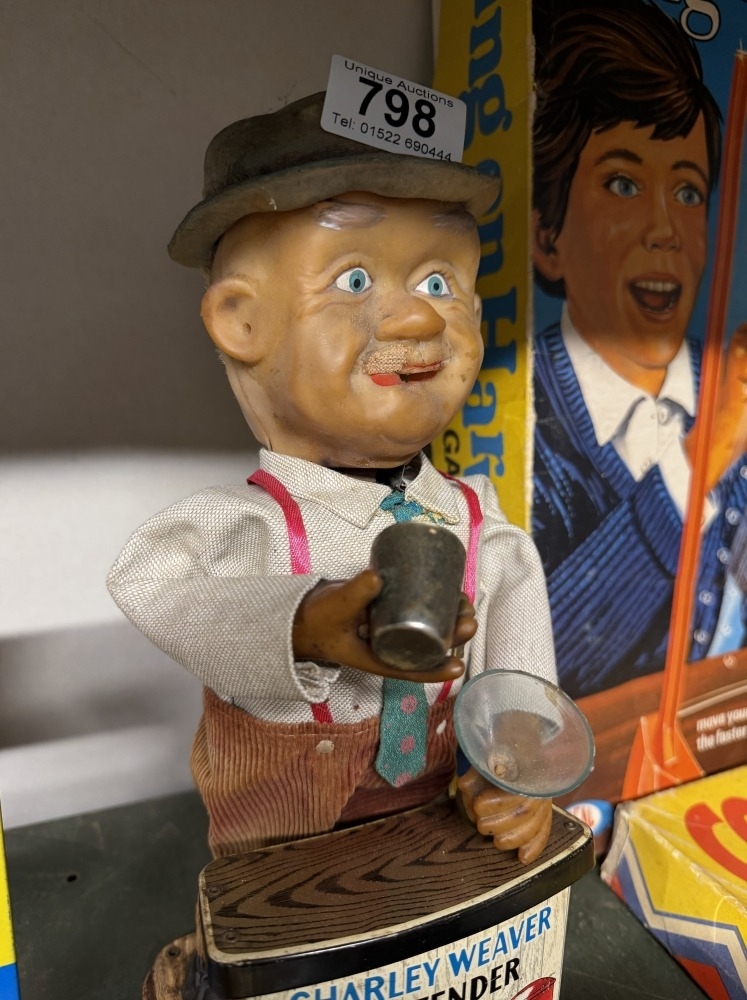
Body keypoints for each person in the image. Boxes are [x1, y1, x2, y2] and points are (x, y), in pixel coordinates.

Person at [108, 93, 557, 863]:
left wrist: (520, 772)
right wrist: (303, 624)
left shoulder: (479, 524)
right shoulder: (243, 529)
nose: (419, 321)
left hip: (430, 826)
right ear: (240, 321)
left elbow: (517, 674)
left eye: (439, 284)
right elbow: (155, 588)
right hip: (276, 846)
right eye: (354, 281)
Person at [531, 0, 747, 700]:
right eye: (623, 184)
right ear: (547, 237)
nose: (665, 230)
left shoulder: (732, 383)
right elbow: (532, 677)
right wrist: (699, 460)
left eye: (688, 190)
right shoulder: (512, 414)